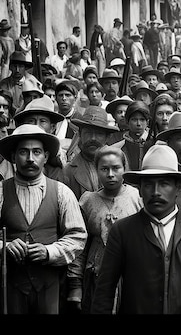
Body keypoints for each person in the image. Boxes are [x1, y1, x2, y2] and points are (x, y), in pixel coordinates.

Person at [90, 144, 181, 314]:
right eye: (148, 185)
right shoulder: (123, 231)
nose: (156, 192)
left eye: (164, 184)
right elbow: (105, 291)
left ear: (178, 187)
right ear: (139, 190)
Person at [0, 124, 87, 314]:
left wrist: (50, 252)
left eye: (37, 152)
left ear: (46, 157)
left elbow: (78, 236)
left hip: (50, 288)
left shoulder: (62, 192)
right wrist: (4, 246)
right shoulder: (0, 191)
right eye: (23, 152)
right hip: (9, 287)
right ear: (13, 156)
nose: (30, 158)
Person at [65, 146, 142, 314]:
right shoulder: (88, 201)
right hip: (96, 274)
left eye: (116, 168)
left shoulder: (136, 197)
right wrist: (75, 285)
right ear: (96, 170)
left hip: (131, 275)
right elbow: (80, 245)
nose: (110, 174)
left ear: (124, 168)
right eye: (104, 169)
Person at [63, 106, 119, 201]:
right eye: (88, 133)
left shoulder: (118, 166)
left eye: (99, 134)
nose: (93, 138)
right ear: (80, 135)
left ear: (107, 137)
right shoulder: (68, 171)